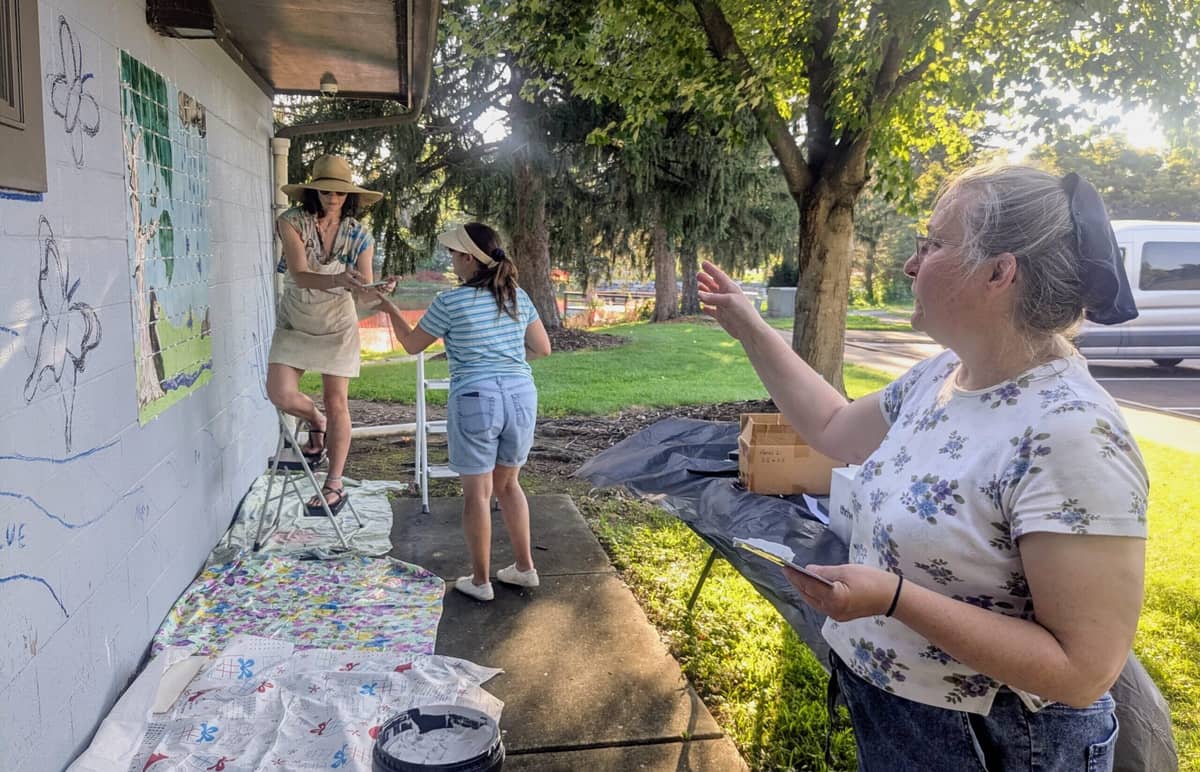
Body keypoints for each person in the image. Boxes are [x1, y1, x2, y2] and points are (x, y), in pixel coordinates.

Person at [698, 165, 1146, 771]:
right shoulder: (943, 375)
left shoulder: (1073, 434)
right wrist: (749, 326)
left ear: (999, 271)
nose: (911, 265)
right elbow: (834, 429)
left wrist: (894, 598)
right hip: (902, 716)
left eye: (933, 244)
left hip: (998, 742)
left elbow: (1082, 670)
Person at [373, 222, 551, 601]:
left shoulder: (449, 302)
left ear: (468, 258)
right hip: (521, 394)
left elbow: (411, 344)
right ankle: (524, 569)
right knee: (509, 485)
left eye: (454, 254)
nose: (452, 260)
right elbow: (542, 348)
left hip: (475, 398)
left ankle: (481, 581)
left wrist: (388, 307)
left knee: (478, 494)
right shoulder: (517, 296)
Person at [266, 154, 395, 516]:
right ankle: (315, 421)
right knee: (279, 392)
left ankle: (334, 484)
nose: (332, 198)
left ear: (349, 195)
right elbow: (300, 274)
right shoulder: (290, 222)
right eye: (325, 191)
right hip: (296, 317)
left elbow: (364, 291)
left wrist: (381, 288)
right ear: (314, 191)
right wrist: (339, 278)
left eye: (339, 193)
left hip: (337, 323)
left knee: (338, 401)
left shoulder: (359, 234)